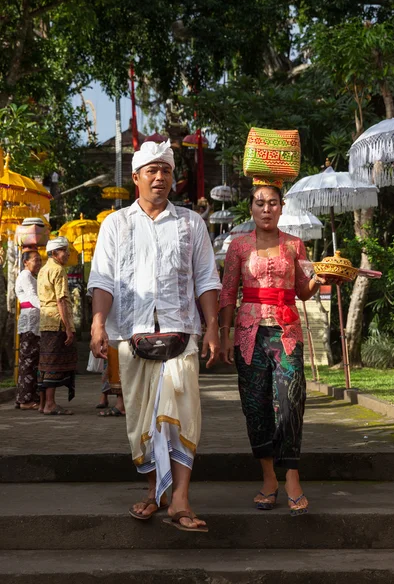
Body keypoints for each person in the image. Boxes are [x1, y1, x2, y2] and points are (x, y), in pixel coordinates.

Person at [88, 140, 221, 532]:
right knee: (142, 420)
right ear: (136, 178)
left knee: (182, 415)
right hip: (133, 335)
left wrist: (213, 326)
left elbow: (206, 279)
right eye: (152, 170)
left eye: (165, 170)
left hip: (181, 333)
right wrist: (98, 323)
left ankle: (180, 498)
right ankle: (154, 490)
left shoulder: (191, 223)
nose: (160, 177)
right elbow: (102, 279)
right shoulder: (115, 224)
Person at [219, 184, 332, 516]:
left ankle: (293, 476)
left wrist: (322, 277)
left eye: (272, 203)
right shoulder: (238, 246)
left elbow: (304, 290)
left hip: (287, 333)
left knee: (291, 399)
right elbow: (227, 293)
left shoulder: (295, 245)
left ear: (281, 207)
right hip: (248, 334)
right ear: (250, 208)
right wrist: (224, 335)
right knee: (256, 406)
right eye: (259, 203)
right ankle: (269, 478)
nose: (266, 209)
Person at [37, 236, 77, 415]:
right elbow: (60, 299)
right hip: (57, 322)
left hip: (45, 321)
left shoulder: (43, 269)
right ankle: (50, 404)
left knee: (45, 362)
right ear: (54, 253)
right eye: (64, 251)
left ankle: (43, 403)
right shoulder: (58, 270)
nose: (67, 254)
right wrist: (68, 327)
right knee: (53, 362)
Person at [15, 249, 43, 410]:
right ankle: (25, 400)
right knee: (28, 361)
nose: (38, 263)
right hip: (29, 321)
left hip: (33, 320)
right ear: (26, 262)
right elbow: (32, 297)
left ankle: (27, 396)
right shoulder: (25, 276)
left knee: (32, 361)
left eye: (40, 260)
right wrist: (46, 309)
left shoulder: (31, 277)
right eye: (35, 260)